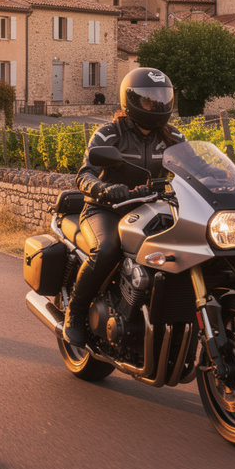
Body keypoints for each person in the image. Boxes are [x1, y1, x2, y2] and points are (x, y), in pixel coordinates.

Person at [64, 67, 182, 347]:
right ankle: (75, 313)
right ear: (129, 100)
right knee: (106, 250)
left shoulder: (173, 138)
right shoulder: (108, 135)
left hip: (153, 211)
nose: (156, 104)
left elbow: (196, 169)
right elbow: (84, 175)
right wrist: (104, 189)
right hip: (105, 209)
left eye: (162, 98)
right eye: (148, 99)